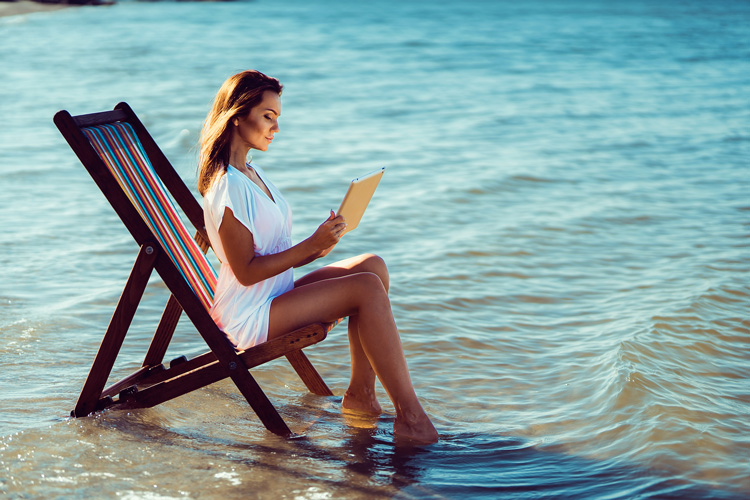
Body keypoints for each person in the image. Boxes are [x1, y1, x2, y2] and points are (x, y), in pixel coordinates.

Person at [197, 70, 438, 444]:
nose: (276, 127)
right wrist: (309, 246)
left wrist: (321, 245)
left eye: (277, 117)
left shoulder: (252, 174)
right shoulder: (229, 187)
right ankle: (412, 419)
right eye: (268, 116)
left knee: (372, 265)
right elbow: (245, 273)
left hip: (273, 294)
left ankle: (361, 394)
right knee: (367, 290)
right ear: (237, 116)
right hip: (249, 313)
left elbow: (275, 255)